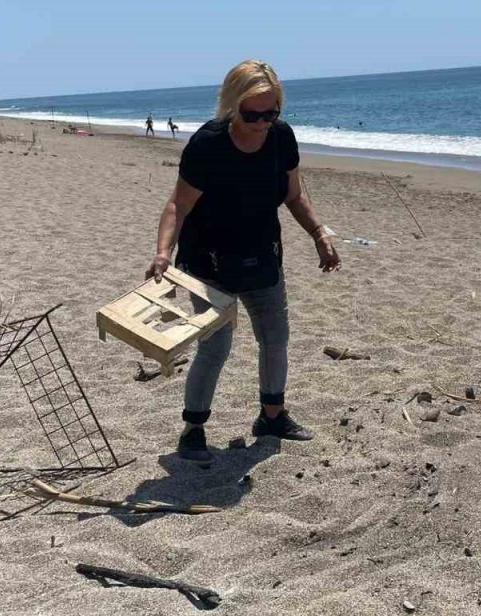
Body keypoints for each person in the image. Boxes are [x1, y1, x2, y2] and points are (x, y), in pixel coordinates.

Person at [146, 59, 341, 466]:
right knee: (215, 347)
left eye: (272, 113)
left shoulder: (281, 138)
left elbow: (294, 195)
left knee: (275, 339)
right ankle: (193, 429)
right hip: (208, 265)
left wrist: (319, 234)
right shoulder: (207, 145)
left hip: (262, 257)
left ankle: (272, 416)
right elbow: (177, 206)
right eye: (254, 114)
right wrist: (163, 253)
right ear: (232, 105)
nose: (263, 123)